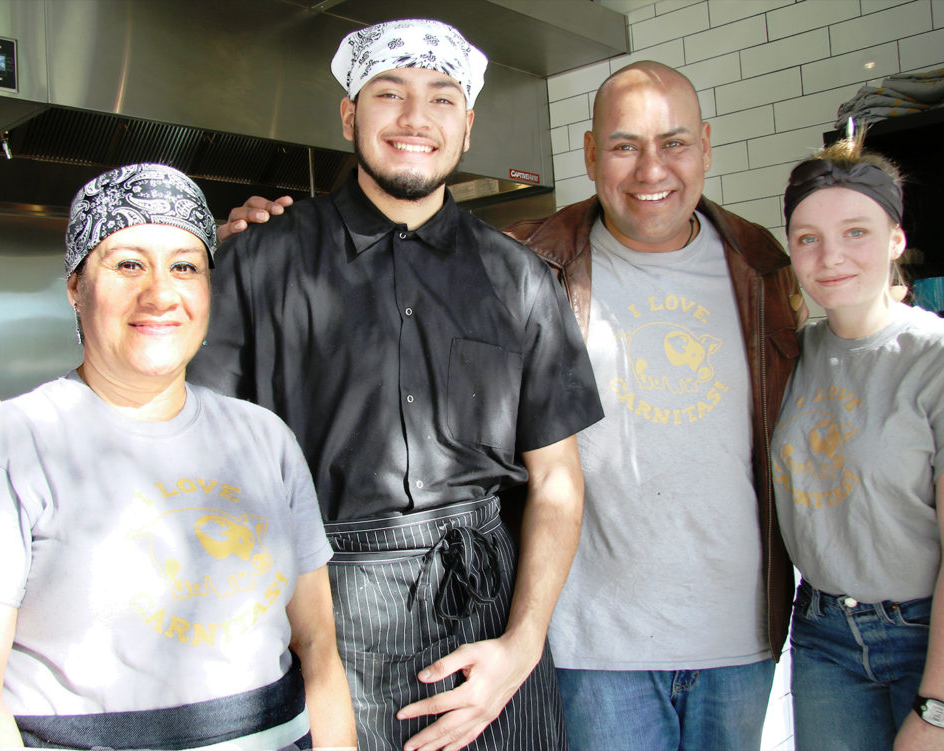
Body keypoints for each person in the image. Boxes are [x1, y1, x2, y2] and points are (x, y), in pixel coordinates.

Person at [222, 60, 803, 751]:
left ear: (706, 145)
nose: (652, 169)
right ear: (590, 154)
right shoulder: (537, 259)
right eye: (623, 145)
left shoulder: (761, 266)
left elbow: (563, 476)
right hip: (561, 641)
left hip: (708, 635)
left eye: (674, 143)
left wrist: (520, 647)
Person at [187, 19, 602, 751]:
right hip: (322, 622)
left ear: (467, 127)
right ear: (350, 114)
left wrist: (523, 645)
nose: (416, 119)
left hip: (490, 624)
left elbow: (559, 480)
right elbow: (206, 467)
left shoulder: (522, 279)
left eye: (442, 99)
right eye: (390, 93)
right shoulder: (261, 263)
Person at [0, 163, 356, 750]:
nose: (160, 292)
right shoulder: (8, 444)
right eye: (128, 263)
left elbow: (319, 652)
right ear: (76, 286)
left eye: (185, 266)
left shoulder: (265, 438)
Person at [774, 137, 944, 750]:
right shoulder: (794, 354)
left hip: (934, 635)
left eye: (856, 232)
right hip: (825, 636)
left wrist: (937, 710)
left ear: (896, 240)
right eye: (808, 238)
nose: (830, 257)